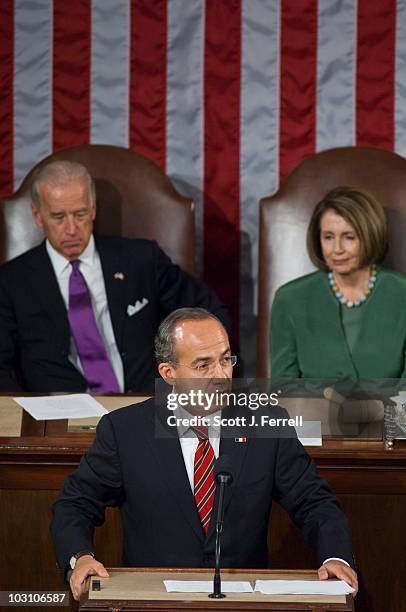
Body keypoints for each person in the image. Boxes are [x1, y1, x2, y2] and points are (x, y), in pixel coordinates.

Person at [50, 307, 358, 601]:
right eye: (203, 365)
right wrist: (80, 558)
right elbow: (76, 504)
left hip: (242, 601)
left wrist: (335, 556)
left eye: (226, 360)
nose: (221, 375)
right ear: (168, 372)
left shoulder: (265, 424)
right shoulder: (125, 431)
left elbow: (314, 502)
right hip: (152, 600)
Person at [0, 160, 230, 393]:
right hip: (58, 418)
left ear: (93, 209)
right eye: (58, 217)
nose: (71, 229)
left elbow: (210, 314)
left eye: (80, 214)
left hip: (146, 406)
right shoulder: (12, 282)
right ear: (37, 216)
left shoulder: (141, 260)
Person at [270, 186, 406, 380]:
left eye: (349, 237)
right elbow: (283, 390)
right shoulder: (290, 299)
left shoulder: (402, 294)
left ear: (370, 235)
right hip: (313, 411)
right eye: (328, 237)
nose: (337, 249)